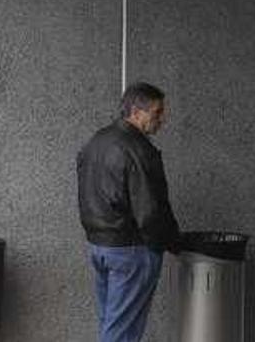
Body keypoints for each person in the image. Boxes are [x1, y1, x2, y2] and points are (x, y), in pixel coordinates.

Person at [76, 82, 181, 342]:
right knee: (121, 334)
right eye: (157, 112)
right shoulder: (139, 150)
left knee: (111, 326)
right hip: (132, 251)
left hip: (100, 247)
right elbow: (150, 212)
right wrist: (172, 242)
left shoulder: (96, 141)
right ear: (136, 111)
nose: (162, 119)